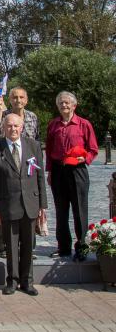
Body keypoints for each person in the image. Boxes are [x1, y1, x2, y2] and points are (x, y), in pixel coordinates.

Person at [0, 113, 47, 295]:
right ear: (3, 128)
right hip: (8, 205)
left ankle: (27, 281)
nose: (13, 129)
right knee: (12, 246)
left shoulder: (34, 146)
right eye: (9, 125)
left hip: (30, 204)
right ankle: (12, 281)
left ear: (22, 128)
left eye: (16, 126)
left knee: (28, 246)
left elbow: (40, 177)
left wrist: (42, 205)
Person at [45, 91, 98, 261]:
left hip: (77, 170)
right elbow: (49, 149)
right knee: (60, 210)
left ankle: (82, 247)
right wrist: (50, 171)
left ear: (74, 105)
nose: (64, 105)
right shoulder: (53, 125)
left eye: (67, 102)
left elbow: (93, 149)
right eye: (61, 103)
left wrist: (85, 158)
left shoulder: (84, 124)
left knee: (79, 209)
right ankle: (63, 247)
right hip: (58, 170)